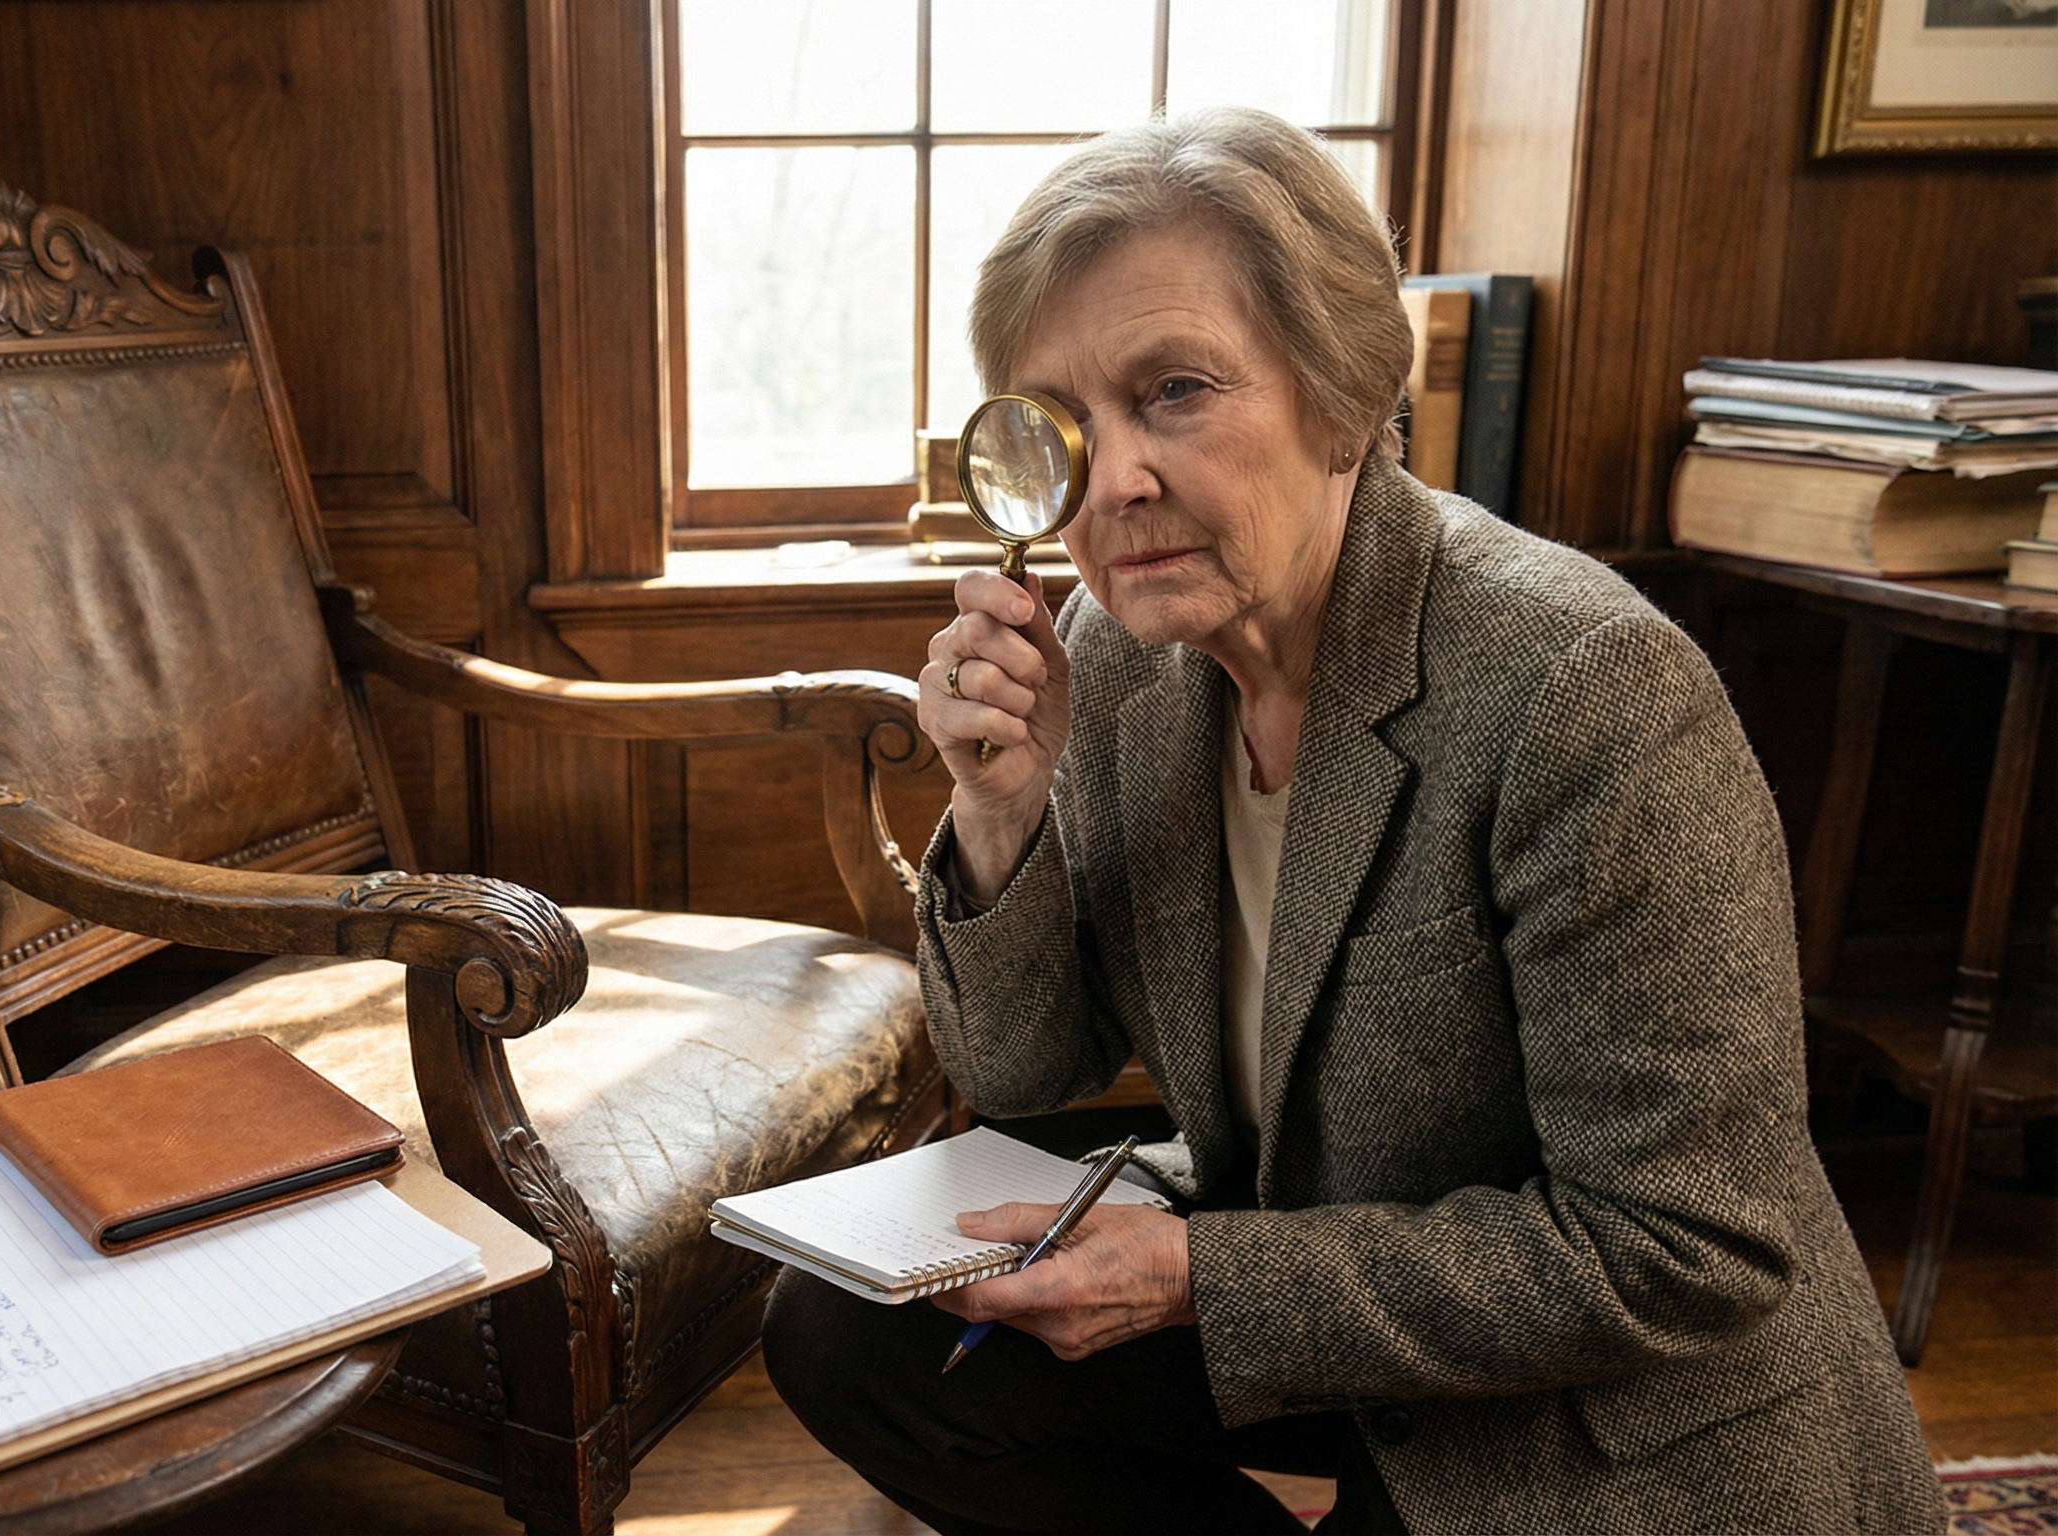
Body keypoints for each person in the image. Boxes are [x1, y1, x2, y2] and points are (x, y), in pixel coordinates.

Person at [761, 108, 1944, 1536]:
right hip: (1340, 1277)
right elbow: (1025, 1069)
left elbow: (1686, 1247)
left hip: (1612, 1412)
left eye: (1177, 390)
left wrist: (1198, 1281)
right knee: (850, 1331)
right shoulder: (1124, 656)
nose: (1115, 483)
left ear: (1341, 393)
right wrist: (1005, 809)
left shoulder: (1584, 689)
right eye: (1066, 423)